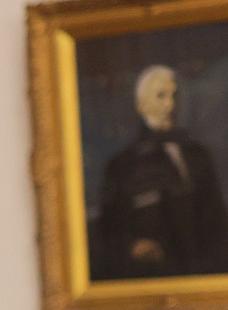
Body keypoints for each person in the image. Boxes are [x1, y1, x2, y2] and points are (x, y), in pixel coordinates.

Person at [91, 63, 228, 280]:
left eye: (174, 95)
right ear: (141, 105)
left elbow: (217, 220)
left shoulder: (199, 156)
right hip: (152, 277)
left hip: (204, 275)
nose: (171, 104)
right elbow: (108, 233)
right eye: (160, 96)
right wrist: (132, 246)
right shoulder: (122, 166)